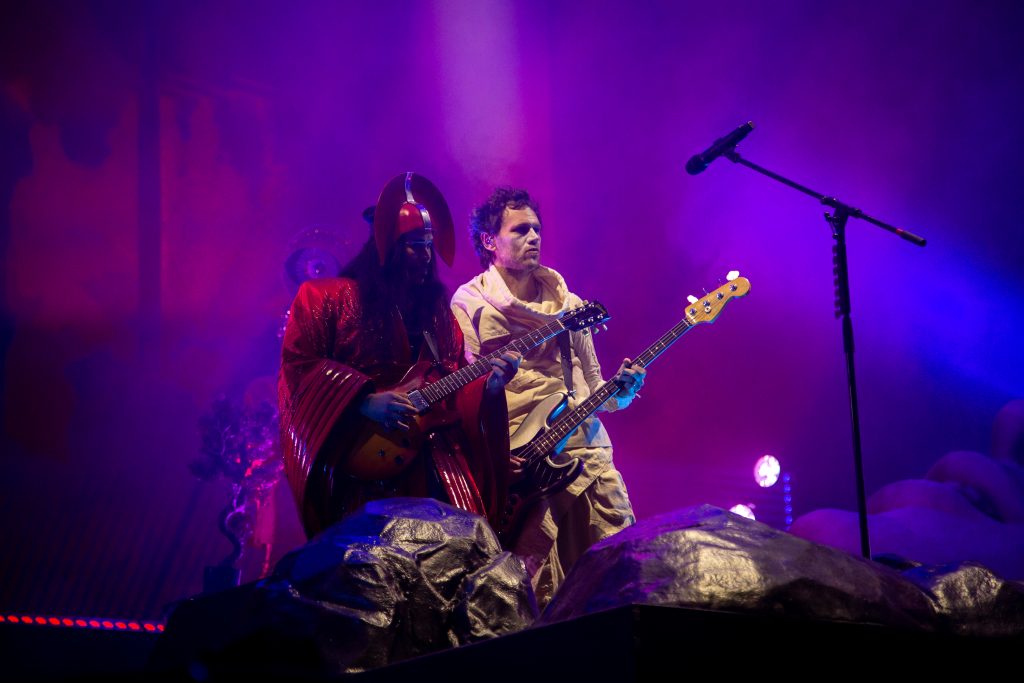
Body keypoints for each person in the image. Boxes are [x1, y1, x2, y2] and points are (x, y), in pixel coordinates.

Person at [279, 173, 521, 538]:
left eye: (429, 245)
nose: (426, 256)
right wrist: (362, 401)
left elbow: (452, 378)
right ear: (386, 249)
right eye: (413, 246)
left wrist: (489, 386)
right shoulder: (324, 297)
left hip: (429, 458)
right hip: (358, 461)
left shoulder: (436, 308)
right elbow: (300, 367)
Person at [451, 186, 645, 606]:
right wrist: (493, 452)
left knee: (617, 575)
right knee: (536, 592)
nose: (534, 237)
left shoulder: (570, 305)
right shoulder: (469, 302)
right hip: (519, 466)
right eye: (520, 230)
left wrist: (623, 391)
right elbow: (464, 393)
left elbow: (597, 392)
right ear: (489, 241)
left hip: (584, 451)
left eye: (537, 229)